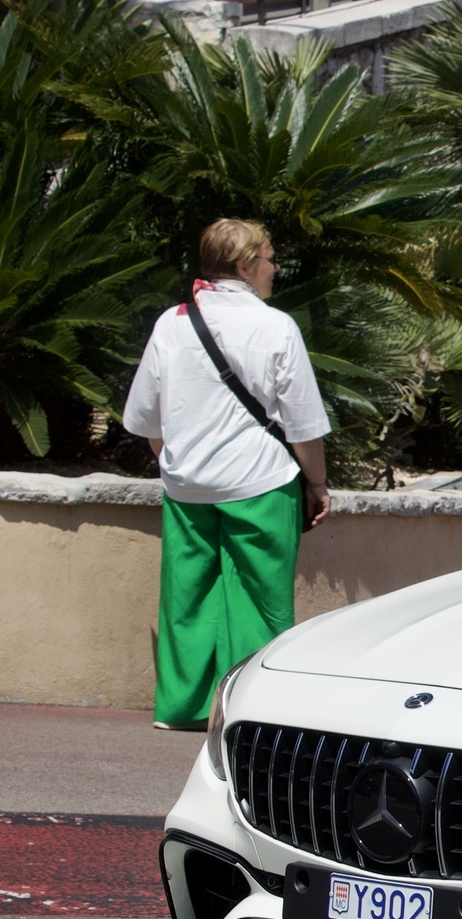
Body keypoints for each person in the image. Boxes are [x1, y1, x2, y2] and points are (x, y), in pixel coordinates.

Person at [124, 220, 333, 730]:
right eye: (269, 258)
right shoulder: (276, 326)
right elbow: (303, 423)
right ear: (244, 265)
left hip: (187, 486)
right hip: (259, 482)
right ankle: (255, 710)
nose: (275, 268)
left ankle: (183, 706)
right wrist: (318, 483)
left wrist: (180, 462)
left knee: (187, 594)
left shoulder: (172, 323)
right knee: (262, 595)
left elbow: (147, 420)